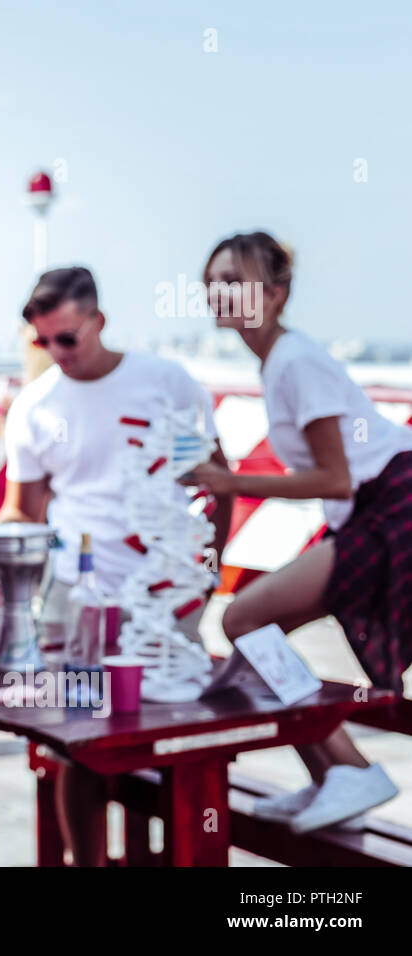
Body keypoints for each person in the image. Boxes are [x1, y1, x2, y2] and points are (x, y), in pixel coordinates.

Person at [0, 266, 234, 866]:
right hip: (75, 602)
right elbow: (22, 509)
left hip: (161, 597)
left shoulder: (166, 382)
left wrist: (205, 576)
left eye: (66, 338)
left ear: (98, 322)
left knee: (168, 735)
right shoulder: (35, 404)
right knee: (79, 741)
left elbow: (218, 482)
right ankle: (91, 863)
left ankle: (165, 857)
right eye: (41, 341)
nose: (54, 352)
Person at [181, 231, 407, 833]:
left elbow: (334, 477)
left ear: (277, 293)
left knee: (242, 620)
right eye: (213, 282)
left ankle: (350, 771)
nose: (219, 293)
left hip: (390, 507)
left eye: (235, 280)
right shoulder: (282, 358)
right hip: (372, 510)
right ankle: (336, 774)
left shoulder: (294, 361)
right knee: (257, 634)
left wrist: (230, 485)